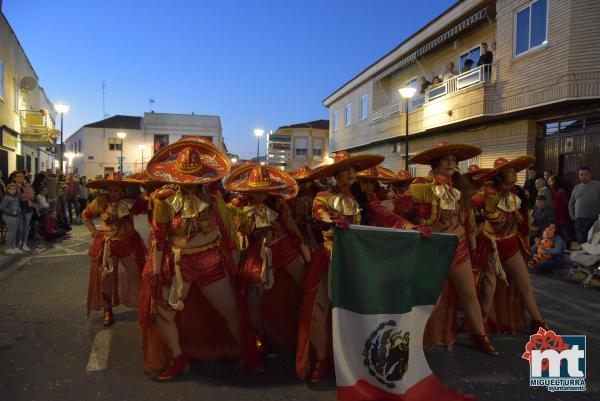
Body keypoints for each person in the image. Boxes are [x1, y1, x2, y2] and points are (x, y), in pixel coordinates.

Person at [139, 137, 263, 381]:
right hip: (178, 265)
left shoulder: (215, 200)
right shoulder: (164, 201)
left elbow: (228, 234)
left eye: (194, 177)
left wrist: (237, 260)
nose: (189, 182)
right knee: (160, 312)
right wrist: (155, 268)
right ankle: (177, 356)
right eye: (184, 177)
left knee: (232, 312)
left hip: (211, 262)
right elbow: (159, 237)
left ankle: (249, 354)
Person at [403, 141, 499, 356]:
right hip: (433, 249)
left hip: (459, 248)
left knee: (469, 294)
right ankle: (409, 338)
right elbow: (403, 208)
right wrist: (417, 225)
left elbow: (467, 217)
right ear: (436, 164)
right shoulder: (422, 188)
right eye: (446, 159)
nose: (451, 163)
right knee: (431, 297)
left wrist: (472, 240)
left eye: (454, 160)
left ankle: (480, 336)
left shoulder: (459, 190)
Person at [296, 150, 383, 383]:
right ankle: (322, 358)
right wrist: (332, 221)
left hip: (355, 260)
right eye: (346, 169)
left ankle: (356, 359)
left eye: (354, 169)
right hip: (328, 256)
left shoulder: (362, 198)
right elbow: (319, 215)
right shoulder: (322, 196)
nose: (352, 174)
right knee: (318, 312)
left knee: (356, 312)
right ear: (336, 174)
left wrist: (408, 227)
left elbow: (383, 216)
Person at [224, 164, 308, 353]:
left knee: (305, 284)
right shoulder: (240, 206)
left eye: (264, 189)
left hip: (284, 248)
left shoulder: (279, 203)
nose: (260, 193)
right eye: (257, 190)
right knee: (252, 292)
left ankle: (308, 328)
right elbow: (238, 232)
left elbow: (291, 227)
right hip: (258, 252)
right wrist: (241, 219)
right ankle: (258, 338)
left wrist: (303, 247)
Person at [472, 156, 549, 335]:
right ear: (499, 175)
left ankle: (538, 320)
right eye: (509, 170)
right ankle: (481, 322)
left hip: (512, 245)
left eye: (515, 170)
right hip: (491, 247)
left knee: (524, 285)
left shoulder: (520, 193)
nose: (514, 173)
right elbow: (472, 211)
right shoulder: (486, 194)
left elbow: (524, 225)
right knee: (487, 288)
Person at [82, 173, 146, 326]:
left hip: (127, 243)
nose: (113, 193)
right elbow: (86, 215)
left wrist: (147, 194)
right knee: (105, 279)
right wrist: (94, 231)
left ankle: (146, 307)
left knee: (137, 276)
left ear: (122, 190)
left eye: (116, 190)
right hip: (108, 245)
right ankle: (107, 310)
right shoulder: (101, 201)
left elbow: (148, 207)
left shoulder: (131, 202)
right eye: (110, 190)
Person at [569, 166, 600, 244]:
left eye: (586, 174)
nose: (584, 176)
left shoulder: (597, 185)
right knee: (581, 241)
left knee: (593, 242)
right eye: (581, 174)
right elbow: (571, 203)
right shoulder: (576, 188)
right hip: (579, 220)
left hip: (594, 219)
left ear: (590, 175)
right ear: (579, 176)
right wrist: (573, 216)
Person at [12, 171, 35, 252]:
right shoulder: (12, 187)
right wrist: (26, 197)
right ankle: (18, 244)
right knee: (20, 228)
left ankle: (24, 244)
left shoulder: (27, 186)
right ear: (14, 178)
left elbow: (32, 196)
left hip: (28, 209)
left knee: (26, 228)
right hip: (18, 209)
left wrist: (24, 197)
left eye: (21, 176)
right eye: (18, 176)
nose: (20, 178)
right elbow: (15, 198)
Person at [0, 183, 23, 254]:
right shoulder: (6, 197)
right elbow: (2, 208)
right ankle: (8, 248)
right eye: (11, 189)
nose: (13, 190)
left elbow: (18, 206)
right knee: (11, 232)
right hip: (8, 216)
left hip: (15, 216)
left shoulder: (15, 197)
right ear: (8, 190)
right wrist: (11, 212)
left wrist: (19, 210)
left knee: (15, 232)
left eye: (14, 189)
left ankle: (14, 247)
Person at [547, 175, 570, 244]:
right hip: (551, 214)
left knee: (563, 230)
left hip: (561, 214)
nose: (549, 183)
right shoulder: (549, 191)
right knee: (552, 230)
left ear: (555, 182)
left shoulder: (561, 191)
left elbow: (566, 202)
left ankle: (567, 243)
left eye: (550, 181)